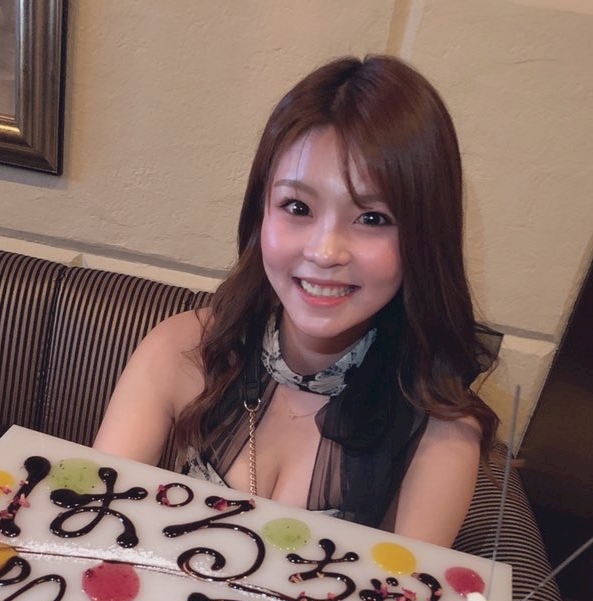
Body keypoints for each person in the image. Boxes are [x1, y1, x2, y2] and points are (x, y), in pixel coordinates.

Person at [94, 54, 499, 549]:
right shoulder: (180, 351)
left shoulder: (440, 433)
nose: (325, 252)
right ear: (260, 214)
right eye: (298, 207)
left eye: (373, 218)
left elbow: (408, 597)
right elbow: (91, 529)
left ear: (423, 236)